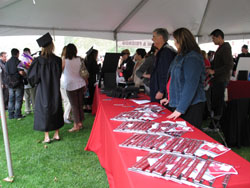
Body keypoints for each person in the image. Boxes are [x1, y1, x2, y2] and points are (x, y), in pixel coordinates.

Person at [160, 27, 206, 129]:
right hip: (181, 102)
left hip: (191, 106)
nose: (174, 43)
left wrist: (180, 109)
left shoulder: (192, 57)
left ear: (182, 41)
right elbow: (175, 80)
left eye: (175, 41)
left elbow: (190, 85)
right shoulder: (180, 55)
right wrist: (170, 98)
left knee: (189, 134)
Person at [28, 33, 64, 143]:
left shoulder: (38, 61)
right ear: (52, 46)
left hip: (43, 89)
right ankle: (56, 134)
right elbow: (59, 74)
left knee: (44, 110)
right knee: (56, 108)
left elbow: (32, 78)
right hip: (55, 88)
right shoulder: (58, 60)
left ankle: (47, 137)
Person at [205, 29, 234, 130]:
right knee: (217, 103)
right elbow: (221, 64)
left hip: (221, 80)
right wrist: (210, 68)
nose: (213, 40)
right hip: (218, 80)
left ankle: (216, 125)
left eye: (213, 38)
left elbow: (229, 65)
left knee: (218, 104)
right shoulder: (221, 48)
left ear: (219, 37)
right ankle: (217, 124)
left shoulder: (225, 47)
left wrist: (214, 71)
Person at [64, 43, 86, 132]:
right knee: (79, 105)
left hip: (70, 85)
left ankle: (76, 125)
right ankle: (80, 123)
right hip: (80, 83)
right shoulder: (79, 59)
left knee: (74, 106)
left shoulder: (64, 60)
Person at [150, 28, 176, 102]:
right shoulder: (163, 51)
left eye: (154, 36)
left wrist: (161, 90)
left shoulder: (166, 52)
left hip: (162, 91)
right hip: (159, 87)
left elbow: (165, 72)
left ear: (160, 38)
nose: (152, 39)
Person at [5, 48, 25, 120]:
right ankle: (17, 114)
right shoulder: (19, 62)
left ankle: (10, 115)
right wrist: (25, 74)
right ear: (17, 54)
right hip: (18, 83)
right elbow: (21, 72)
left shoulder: (7, 62)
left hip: (10, 83)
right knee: (18, 99)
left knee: (11, 99)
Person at [18, 48, 36, 114]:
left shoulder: (21, 61)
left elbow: (21, 71)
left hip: (25, 81)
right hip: (31, 81)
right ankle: (34, 109)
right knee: (33, 96)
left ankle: (28, 110)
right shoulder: (32, 60)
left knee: (27, 97)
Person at [84, 47, 99, 112]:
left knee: (86, 93)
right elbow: (95, 70)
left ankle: (85, 105)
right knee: (91, 92)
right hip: (91, 79)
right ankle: (89, 106)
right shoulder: (93, 61)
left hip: (86, 79)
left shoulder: (86, 60)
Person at [60, 46, 72, 124]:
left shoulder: (61, 58)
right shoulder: (66, 60)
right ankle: (65, 116)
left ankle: (67, 115)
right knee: (70, 100)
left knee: (65, 100)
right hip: (65, 81)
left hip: (61, 80)